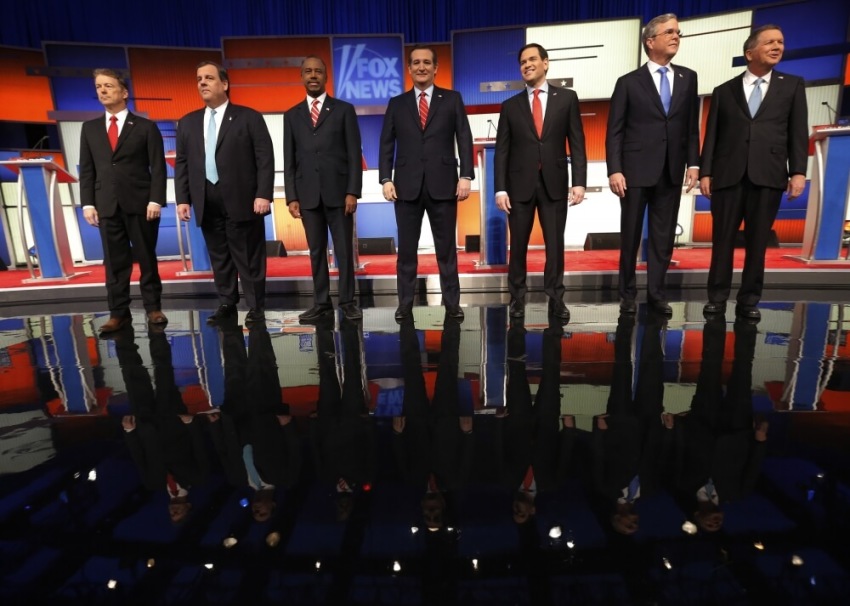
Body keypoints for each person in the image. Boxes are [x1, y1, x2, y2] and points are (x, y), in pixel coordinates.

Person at [699, 24, 808, 322]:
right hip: (727, 175)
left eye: (781, 42)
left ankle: (749, 300)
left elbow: (798, 132)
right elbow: (712, 136)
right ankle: (717, 298)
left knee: (758, 242)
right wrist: (706, 172)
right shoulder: (724, 91)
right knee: (722, 241)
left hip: (769, 175)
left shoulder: (793, 85)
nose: (777, 47)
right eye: (770, 42)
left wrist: (798, 171)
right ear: (750, 53)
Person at [606, 14, 700, 317]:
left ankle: (658, 294)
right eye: (669, 32)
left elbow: (691, 128)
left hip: (671, 169)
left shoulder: (688, 77)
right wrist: (615, 168)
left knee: (662, 237)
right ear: (650, 41)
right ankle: (627, 294)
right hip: (633, 172)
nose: (676, 37)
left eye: (678, 32)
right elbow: (615, 130)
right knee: (631, 236)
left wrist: (694, 165)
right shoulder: (628, 82)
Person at [174, 61, 275, 327]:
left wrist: (263, 194)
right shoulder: (187, 123)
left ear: (225, 84)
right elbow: (182, 163)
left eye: (208, 78)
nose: (202, 83)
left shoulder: (249, 117)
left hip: (244, 200)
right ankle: (227, 303)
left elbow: (265, 158)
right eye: (199, 79)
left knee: (248, 257)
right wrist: (183, 198)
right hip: (206, 200)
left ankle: (255, 307)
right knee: (219, 256)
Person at [379, 45, 474, 323]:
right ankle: (405, 303)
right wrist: (385, 178)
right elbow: (386, 143)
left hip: (444, 185)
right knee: (406, 251)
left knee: (446, 250)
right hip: (406, 187)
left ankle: (452, 303)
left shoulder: (452, 99)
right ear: (409, 69)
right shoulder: (397, 103)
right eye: (416, 63)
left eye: (426, 63)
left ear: (435, 68)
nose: (421, 67)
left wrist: (466, 175)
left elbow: (464, 139)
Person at [495, 43, 587, 323]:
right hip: (519, 186)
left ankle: (556, 298)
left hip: (555, 183)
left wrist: (579, 182)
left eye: (532, 59)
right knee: (519, 246)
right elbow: (502, 151)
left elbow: (578, 143)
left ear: (546, 63)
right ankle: (517, 299)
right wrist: (500, 188)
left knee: (555, 245)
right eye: (522, 61)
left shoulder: (567, 99)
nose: (527, 65)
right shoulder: (510, 106)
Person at [78, 68, 167, 334]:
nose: (102, 90)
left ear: (124, 92)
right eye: (98, 87)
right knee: (114, 263)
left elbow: (158, 167)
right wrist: (88, 203)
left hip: (141, 203)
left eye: (108, 86)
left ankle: (153, 308)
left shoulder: (145, 127)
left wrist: (156, 200)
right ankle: (118, 313)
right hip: (107, 204)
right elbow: (87, 169)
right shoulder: (90, 128)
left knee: (147, 259)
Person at [284, 56, 363, 323]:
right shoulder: (292, 115)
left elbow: (354, 154)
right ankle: (321, 302)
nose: (313, 75)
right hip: (307, 196)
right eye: (308, 71)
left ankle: (348, 301)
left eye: (318, 71)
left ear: (326, 77)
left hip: (340, 195)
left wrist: (353, 191)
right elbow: (289, 159)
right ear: (301, 76)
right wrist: (292, 196)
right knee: (316, 251)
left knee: (343, 251)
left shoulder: (343, 110)